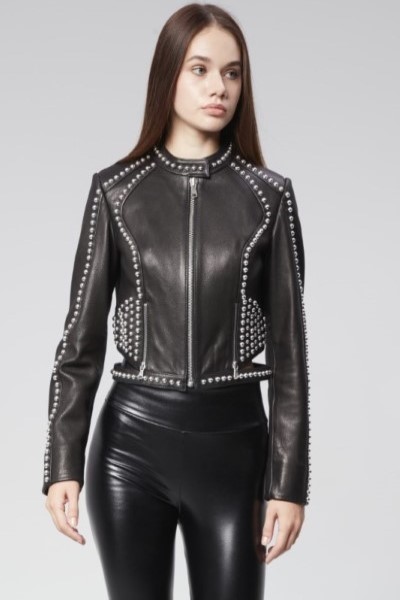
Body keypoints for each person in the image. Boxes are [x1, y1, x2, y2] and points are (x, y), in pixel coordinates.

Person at [42, 3, 311, 598]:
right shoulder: (116, 193)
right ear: (169, 74)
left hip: (236, 455)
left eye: (233, 73)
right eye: (200, 69)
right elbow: (80, 345)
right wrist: (62, 463)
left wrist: (289, 482)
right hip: (130, 452)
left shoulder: (268, 198)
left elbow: (290, 356)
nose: (220, 87)